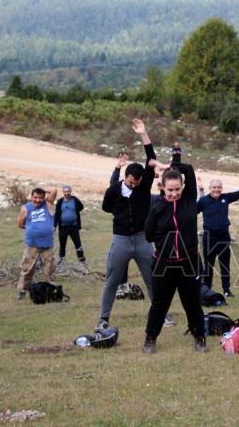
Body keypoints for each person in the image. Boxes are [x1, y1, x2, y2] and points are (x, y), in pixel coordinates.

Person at [96, 119, 159, 331]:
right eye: (131, 183)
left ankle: (161, 314)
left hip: (142, 240)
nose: (133, 186)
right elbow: (106, 207)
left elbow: (152, 158)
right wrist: (122, 215)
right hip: (121, 240)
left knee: (152, 279)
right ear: (125, 177)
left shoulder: (143, 186)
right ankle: (103, 318)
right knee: (112, 281)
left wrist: (144, 134)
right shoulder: (113, 190)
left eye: (137, 183)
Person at [143, 164, 206, 353]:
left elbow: (189, 169)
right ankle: (150, 339)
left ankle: (199, 338)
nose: (174, 193)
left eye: (177, 189)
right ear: (162, 187)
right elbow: (149, 234)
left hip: (190, 263)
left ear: (183, 187)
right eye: (170, 190)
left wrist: (171, 166)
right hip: (164, 265)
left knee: (192, 303)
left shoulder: (188, 199)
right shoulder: (157, 207)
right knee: (160, 304)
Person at [197, 174, 239, 297]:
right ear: (210, 188)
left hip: (223, 237)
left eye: (219, 187)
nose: (216, 189)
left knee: (225, 265)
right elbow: (192, 212)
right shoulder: (204, 201)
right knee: (208, 265)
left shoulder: (226, 198)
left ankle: (226, 290)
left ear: (221, 188)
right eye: (214, 187)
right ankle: (207, 289)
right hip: (209, 238)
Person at [17, 186, 58, 300]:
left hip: (47, 244)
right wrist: (33, 229)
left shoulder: (48, 204)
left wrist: (41, 190)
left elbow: (54, 190)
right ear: (31, 197)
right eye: (35, 197)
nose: (38, 200)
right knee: (27, 269)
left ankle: (49, 290)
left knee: (49, 268)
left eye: (40, 198)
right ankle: (22, 291)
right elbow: (20, 224)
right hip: (31, 244)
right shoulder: (25, 208)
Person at [54, 185, 86, 265]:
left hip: (74, 227)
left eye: (68, 191)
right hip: (63, 227)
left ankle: (82, 260)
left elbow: (81, 207)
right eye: (65, 192)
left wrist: (75, 211)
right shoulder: (60, 201)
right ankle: (61, 261)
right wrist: (54, 225)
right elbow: (57, 214)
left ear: (70, 192)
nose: (66, 193)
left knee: (78, 244)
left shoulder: (75, 200)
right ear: (63, 192)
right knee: (62, 245)